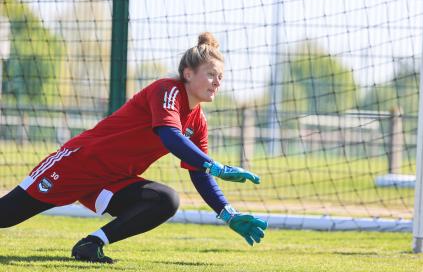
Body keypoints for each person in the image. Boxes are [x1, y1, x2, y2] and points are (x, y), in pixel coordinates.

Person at [0, 32, 268, 264]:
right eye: (211, 75)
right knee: (6, 216)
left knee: (166, 200)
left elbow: (198, 171)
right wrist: (217, 166)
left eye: (220, 76)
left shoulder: (198, 121)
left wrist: (227, 213)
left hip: (113, 181)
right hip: (78, 164)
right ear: (188, 74)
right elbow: (169, 135)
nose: (217, 82)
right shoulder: (167, 90)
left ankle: (91, 244)